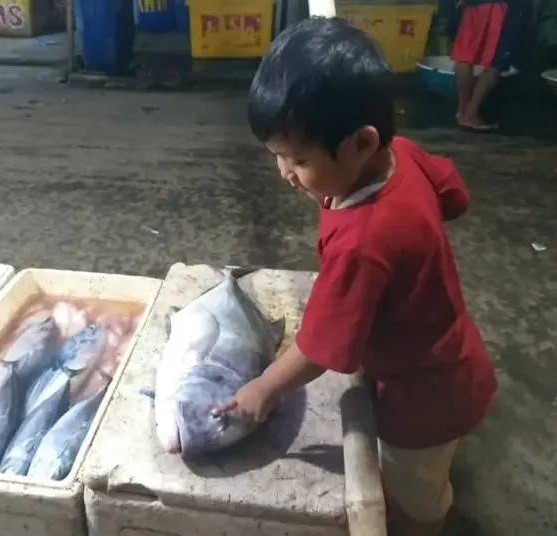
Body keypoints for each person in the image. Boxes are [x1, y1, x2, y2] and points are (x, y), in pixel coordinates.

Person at [213, 18, 497, 536]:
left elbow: (322, 348)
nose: (285, 174)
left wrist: (265, 388)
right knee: (427, 476)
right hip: (452, 352)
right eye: (278, 156)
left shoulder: (362, 243)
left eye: (297, 159)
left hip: (422, 400)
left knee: (415, 499)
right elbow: (454, 193)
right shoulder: (401, 154)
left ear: (361, 144)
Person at [451, 0, 522, 130]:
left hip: (471, 6)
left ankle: (462, 110)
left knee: (465, 56)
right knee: (497, 62)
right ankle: (470, 115)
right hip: (499, 7)